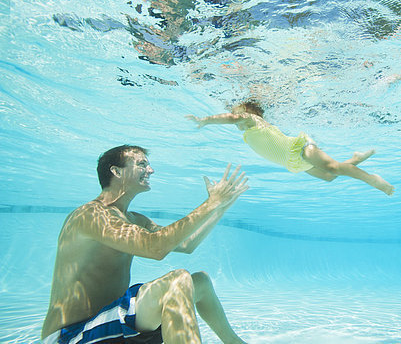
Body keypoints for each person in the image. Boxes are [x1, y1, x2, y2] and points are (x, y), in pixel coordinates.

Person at [41, 145, 249, 344]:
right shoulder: (91, 214)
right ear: (116, 171)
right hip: (71, 335)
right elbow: (155, 248)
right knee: (178, 280)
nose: (151, 170)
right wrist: (210, 203)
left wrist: (220, 206)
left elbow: (186, 244)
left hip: (111, 322)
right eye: (142, 164)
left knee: (200, 283)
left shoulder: (133, 219)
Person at [186, 101, 394, 196]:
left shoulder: (252, 120)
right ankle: (354, 159)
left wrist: (205, 120)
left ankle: (373, 180)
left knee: (332, 168)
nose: (234, 114)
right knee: (330, 176)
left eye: (236, 110)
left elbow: (232, 118)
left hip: (300, 150)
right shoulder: (248, 133)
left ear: (247, 110)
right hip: (291, 162)